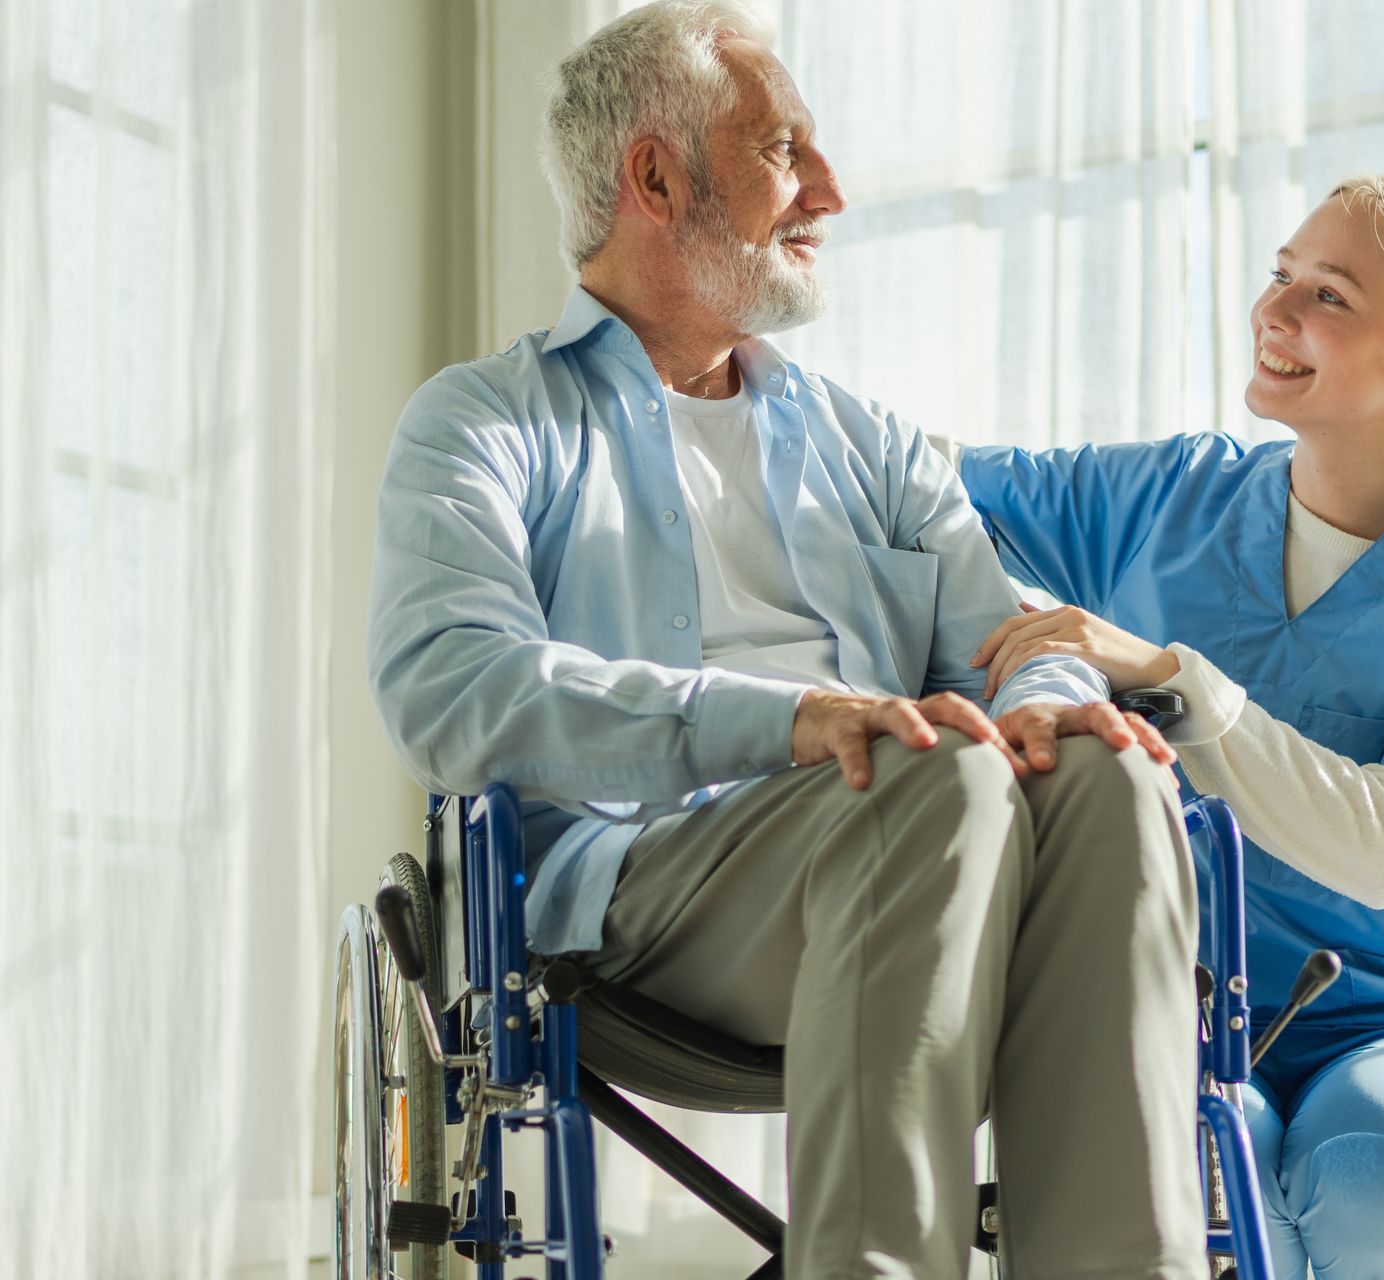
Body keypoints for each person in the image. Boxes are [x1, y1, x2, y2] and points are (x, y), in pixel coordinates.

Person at [363, 4, 1208, 1278]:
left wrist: (1046, 693)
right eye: (782, 150)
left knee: (1106, 765)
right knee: (930, 765)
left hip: (918, 842)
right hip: (645, 891)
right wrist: (793, 721)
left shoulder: (872, 443)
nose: (832, 190)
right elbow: (452, 688)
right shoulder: (486, 422)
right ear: (654, 176)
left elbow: (1021, 637)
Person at [950, 172, 1384, 1280]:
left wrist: (1165, 674)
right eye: (1280, 277)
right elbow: (913, 483)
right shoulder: (1166, 497)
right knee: (1193, 1160)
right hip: (1170, 1009)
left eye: (1328, 296)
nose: (1276, 314)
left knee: (1379, 1174)